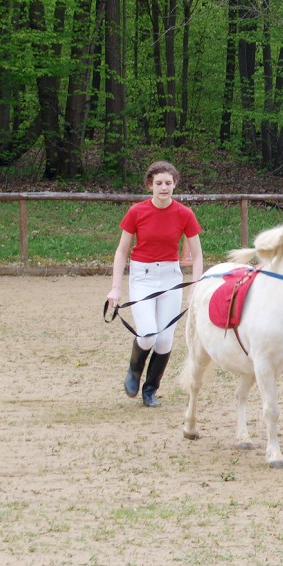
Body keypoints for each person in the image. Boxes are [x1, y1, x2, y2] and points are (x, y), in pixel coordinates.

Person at [106, 161, 204, 407]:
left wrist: (195, 287)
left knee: (165, 340)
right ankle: (134, 370)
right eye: (159, 183)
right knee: (148, 334)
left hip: (170, 277)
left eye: (168, 183)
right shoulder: (136, 212)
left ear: (175, 185)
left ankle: (150, 390)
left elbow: (198, 255)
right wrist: (116, 288)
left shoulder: (185, 214)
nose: (163, 188)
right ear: (150, 185)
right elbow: (121, 252)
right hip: (143, 276)